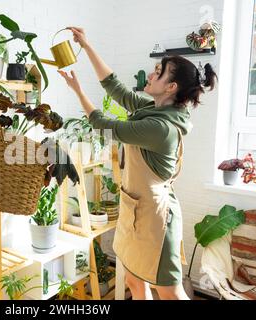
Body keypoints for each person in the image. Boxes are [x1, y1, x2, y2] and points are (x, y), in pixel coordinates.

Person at [58, 27, 218, 300]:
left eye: (159, 72)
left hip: (156, 221)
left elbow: (102, 125)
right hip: (135, 209)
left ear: (171, 87)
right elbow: (114, 86)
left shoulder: (159, 127)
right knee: (133, 280)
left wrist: (77, 90)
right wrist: (86, 45)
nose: (152, 74)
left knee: (170, 292)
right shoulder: (152, 109)